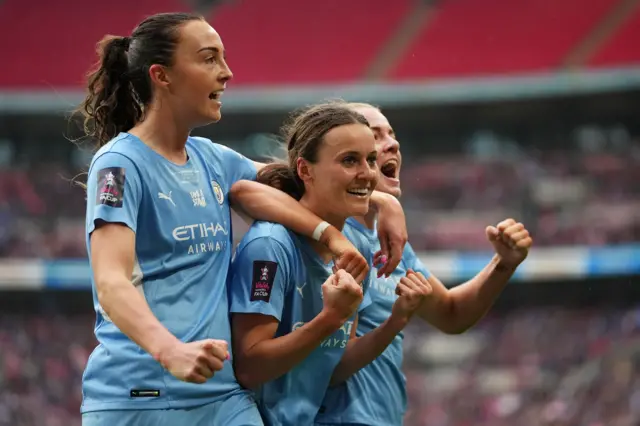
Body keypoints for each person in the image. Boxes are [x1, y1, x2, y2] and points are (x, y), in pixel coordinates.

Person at [77, 14, 406, 426]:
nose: (227, 72)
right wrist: (170, 350)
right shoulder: (119, 164)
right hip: (141, 394)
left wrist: (382, 203)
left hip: (221, 395)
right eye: (209, 59)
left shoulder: (212, 158)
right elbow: (110, 281)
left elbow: (303, 180)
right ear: (162, 76)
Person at [314, 103, 534, 426]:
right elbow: (329, 366)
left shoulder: (390, 242)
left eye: (392, 134)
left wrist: (504, 264)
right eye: (376, 136)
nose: (393, 144)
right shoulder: (323, 231)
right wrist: (381, 198)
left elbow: (451, 314)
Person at [228, 102, 432, 426]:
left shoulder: (358, 246)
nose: (367, 173)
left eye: (370, 160)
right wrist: (330, 317)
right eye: (349, 160)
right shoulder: (270, 245)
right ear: (305, 170)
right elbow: (250, 368)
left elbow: (333, 369)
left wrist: (397, 320)